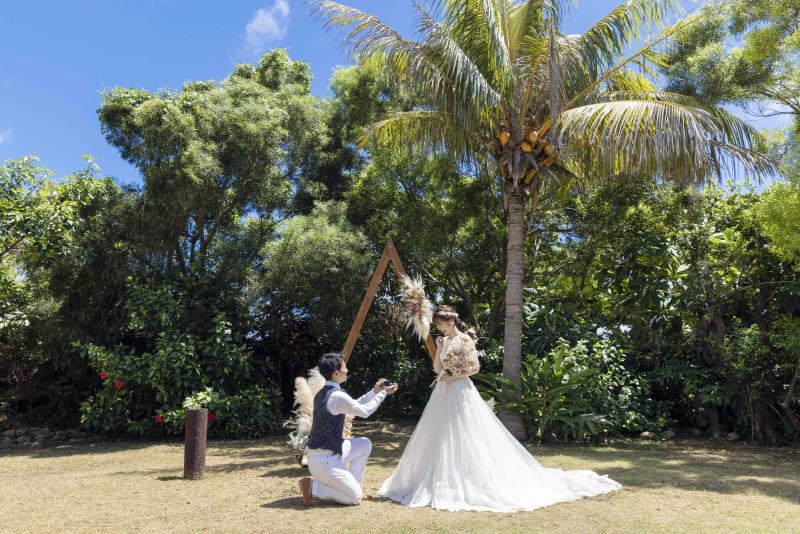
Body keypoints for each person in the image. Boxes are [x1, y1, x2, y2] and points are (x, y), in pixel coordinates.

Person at [378, 305, 622, 512]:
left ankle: (470, 479)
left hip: (459, 390)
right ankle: (439, 480)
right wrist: (440, 349)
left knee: (467, 435)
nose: (439, 328)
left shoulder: (465, 339)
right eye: (437, 325)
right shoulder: (446, 340)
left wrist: (451, 377)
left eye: (441, 324)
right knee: (439, 435)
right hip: (442, 393)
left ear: (451, 320)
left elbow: (474, 369)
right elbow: (436, 369)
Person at [299, 352, 398, 506]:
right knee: (355, 499)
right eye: (344, 367)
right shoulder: (336, 396)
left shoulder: (326, 392)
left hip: (325, 455)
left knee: (364, 444)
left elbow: (353, 407)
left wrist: (375, 392)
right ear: (335, 372)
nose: (347, 370)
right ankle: (314, 487)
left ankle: (353, 487)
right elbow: (364, 412)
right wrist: (383, 393)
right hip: (324, 460)